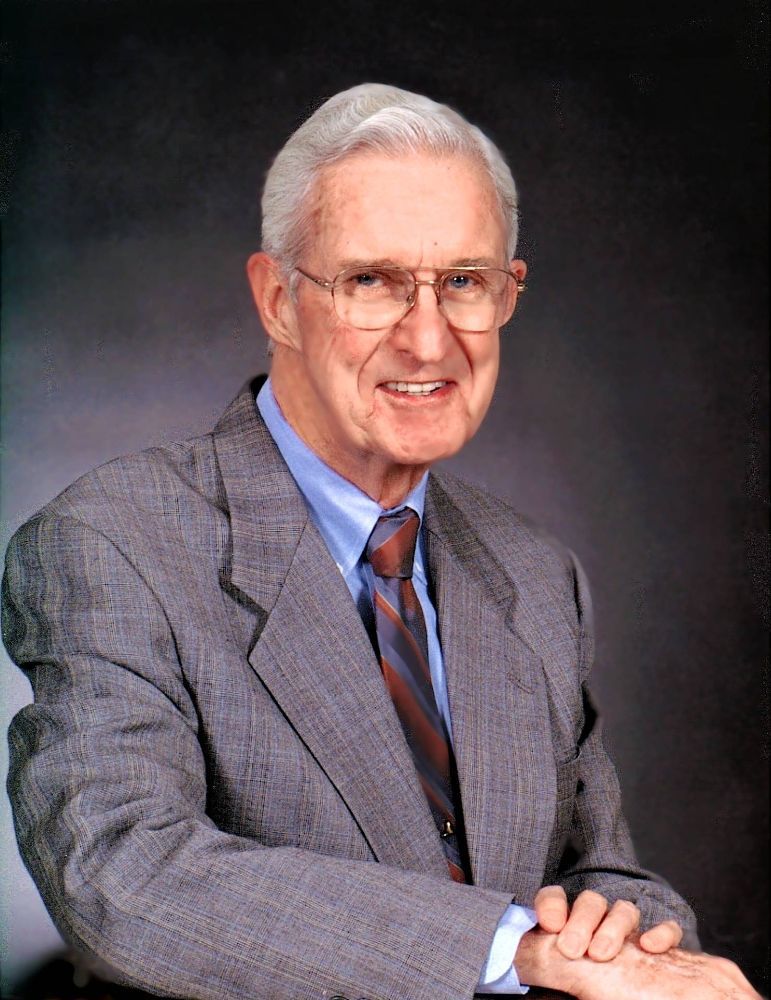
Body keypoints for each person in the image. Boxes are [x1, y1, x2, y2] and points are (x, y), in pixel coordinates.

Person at [3, 84, 761, 1000]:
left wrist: (616, 928)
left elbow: (597, 873)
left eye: (464, 282)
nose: (428, 337)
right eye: (371, 281)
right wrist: (514, 950)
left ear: (506, 293)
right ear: (277, 298)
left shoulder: (532, 573)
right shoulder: (113, 543)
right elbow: (123, 878)